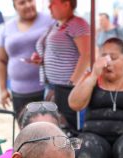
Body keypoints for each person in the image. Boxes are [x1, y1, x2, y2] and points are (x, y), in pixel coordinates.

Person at [32, 0, 90, 131]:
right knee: (55, 128)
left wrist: (71, 83)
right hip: (54, 86)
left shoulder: (78, 24)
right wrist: (41, 59)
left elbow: (87, 54)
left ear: (66, 4)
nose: (49, 6)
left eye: (52, 3)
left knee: (70, 129)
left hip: (68, 88)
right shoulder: (55, 25)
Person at [0, 0, 53, 124]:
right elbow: (1, 60)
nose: (28, 5)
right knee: (26, 133)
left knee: (47, 132)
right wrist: (3, 89)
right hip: (19, 93)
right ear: (15, 7)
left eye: (30, 0)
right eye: (22, 2)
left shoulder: (50, 20)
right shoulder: (7, 28)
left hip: (46, 91)